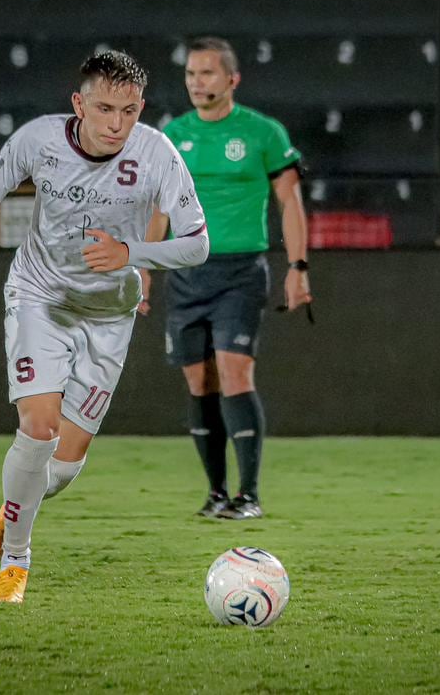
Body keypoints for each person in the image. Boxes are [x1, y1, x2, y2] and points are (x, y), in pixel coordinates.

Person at [0, 51, 208, 604]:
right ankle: (16, 561)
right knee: (38, 426)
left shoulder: (158, 153)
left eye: (130, 111)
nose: (117, 124)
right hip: (39, 296)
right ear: (78, 104)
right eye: (105, 108)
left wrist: (132, 253)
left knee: (62, 467)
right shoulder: (37, 141)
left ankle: (11, 509)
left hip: (110, 314)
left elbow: (197, 243)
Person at [144, 36, 311, 521]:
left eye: (207, 73)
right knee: (200, 382)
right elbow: (159, 207)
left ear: (232, 79)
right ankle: (216, 493)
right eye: (191, 75)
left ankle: (250, 495)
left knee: (236, 373)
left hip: (240, 272)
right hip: (187, 274)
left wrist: (298, 267)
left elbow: (290, 202)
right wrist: (144, 270)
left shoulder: (263, 133)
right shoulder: (172, 135)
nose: (197, 83)